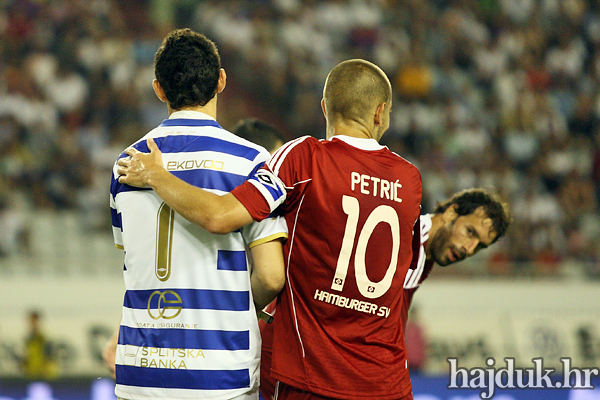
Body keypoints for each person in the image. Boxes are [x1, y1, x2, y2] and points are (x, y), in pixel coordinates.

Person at [117, 59, 422, 400]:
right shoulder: (409, 179)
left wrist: (157, 175)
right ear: (381, 112)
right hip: (388, 381)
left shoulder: (303, 158)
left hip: (313, 377)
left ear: (324, 108)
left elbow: (221, 216)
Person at [109, 28, 287, 400]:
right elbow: (271, 276)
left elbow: (133, 258)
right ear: (221, 80)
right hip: (220, 371)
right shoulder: (250, 161)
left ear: (159, 89)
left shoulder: (127, 165)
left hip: (141, 370)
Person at [259, 187, 511, 398]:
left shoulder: (423, 250)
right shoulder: (404, 238)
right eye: (470, 232)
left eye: (480, 246)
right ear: (451, 212)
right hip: (292, 355)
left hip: (309, 359)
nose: (469, 248)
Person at [21, 310, 58, 380]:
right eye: (31, 321)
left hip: (43, 376)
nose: (33, 324)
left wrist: (46, 372)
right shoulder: (28, 340)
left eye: (35, 321)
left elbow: (50, 359)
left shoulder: (44, 339)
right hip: (30, 375)